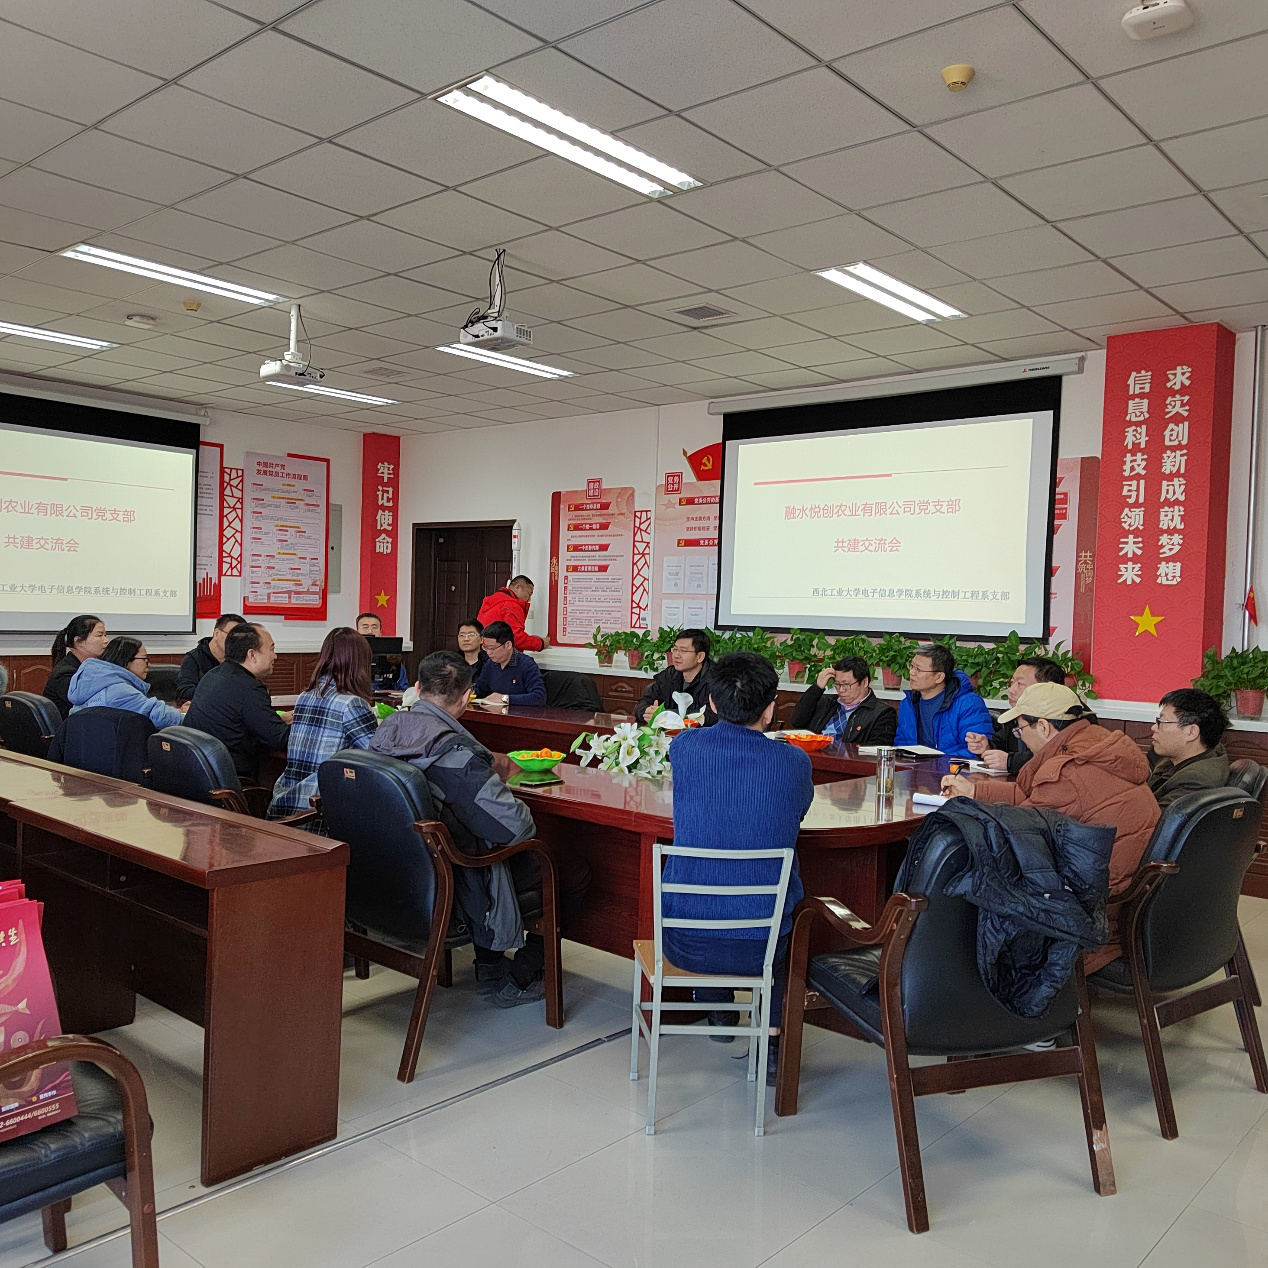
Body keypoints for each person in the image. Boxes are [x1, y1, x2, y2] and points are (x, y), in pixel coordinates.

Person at [371, 651, 589, 1007]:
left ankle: (492, 966)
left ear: (417, 688)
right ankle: (517, 976)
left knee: (479, 842)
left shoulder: (387, 729)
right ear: (466, 696)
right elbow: (516, 828)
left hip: (401, 870)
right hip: (455, 876)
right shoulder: (453, 754)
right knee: (572, 870)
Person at [664, 652, 814, 1084]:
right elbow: (798, 811)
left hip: (684, 940)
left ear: (711, 702)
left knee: (712, 879)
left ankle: (717, 1005)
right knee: (787, 908)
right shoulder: (794, 761)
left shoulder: (684, 747)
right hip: (761, 948)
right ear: (771, 709)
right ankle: (772, 1045)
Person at [941, 682, 1159, 894]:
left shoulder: (1067, 772)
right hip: (1131, 881)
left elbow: (1019, 833)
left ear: (1044, 727)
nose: (1021, 737)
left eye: (1020, 730)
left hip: (1098, 895)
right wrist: (975, 792)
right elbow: (1031, 796)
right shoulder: (1096, 741)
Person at [269, 627, 378, 824]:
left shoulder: (305, 696)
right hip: (320, 811)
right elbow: (378, 759)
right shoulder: (352, 704)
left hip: (288, 801)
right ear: (360, 663)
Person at [185, 623, 293, 781]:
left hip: (197, 771)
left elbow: (240, 721)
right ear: (252, 655)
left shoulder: (213, 675)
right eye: (271, 649)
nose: (275, 656)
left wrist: (277, 720)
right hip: (228, 780)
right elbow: (280, 739)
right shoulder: (250, 688)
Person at [966, 656, 1067, 774]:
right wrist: (986, 747)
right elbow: (1002, 744)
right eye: (1012, 682)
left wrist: (1010, 761)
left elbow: (1054, 756)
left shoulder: (1063, 717)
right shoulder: (1014, 716)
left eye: (1020, 684)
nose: (1011, 689)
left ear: (1044, 688)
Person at [894, 643, 993, 759]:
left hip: (953, 768)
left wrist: (934, 763)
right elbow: (901, 745)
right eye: (911, 666)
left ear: (939, 677)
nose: (912, 672)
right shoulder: (908, 703)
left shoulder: (969, 704)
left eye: (919, 669)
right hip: (914, 767)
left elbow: (976, 751)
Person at [67, 636, 187, 729]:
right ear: (127, 661)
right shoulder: (119, 691)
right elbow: (160, 717)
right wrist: (188, 715)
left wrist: (179, 712)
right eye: (144, 659)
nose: (149, 664)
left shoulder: (96, 681)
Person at [1147, 687, 1231, 806]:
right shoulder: (1182, 756)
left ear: (1191, 732)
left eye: (1163, 722)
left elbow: (1154, 817)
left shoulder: (1195, 780)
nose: (1154, 728)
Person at [787, 654, 897, 744]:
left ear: (864, 682)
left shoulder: (883, 713)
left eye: (846, 685)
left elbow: (877, 749)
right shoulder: (827, 702)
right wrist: (817, 688)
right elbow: (797, 722)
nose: (841, 690)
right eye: (837, 684)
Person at [635, 629, 715, 724]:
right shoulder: (669, 675)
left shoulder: (716, 680)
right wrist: (646, 712)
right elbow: (642, 703)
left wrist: (667, 715)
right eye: (675, 649)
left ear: (700, 656)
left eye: (683, 651)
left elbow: (711, 716)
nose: (676, 655)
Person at [43, 615, 109, 719]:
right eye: (99, 635)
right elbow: (91, 704)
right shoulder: (66, 673)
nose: (106, 640)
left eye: (105, 635)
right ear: (79, 641)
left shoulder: (92, 666)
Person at [472, 621, 546, 706]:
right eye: (485, 647)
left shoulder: (527, 665)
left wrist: (505, 699)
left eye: (492, 648)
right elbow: (480, 688)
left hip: (520, 713)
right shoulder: (490, 664)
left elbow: (539, 697)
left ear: (508, 645)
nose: (488, 653)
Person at [176, 613, 246, 703]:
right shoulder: (194, 658)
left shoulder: (240, 660)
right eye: (232, 636)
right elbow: (184, 692)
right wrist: (220, 692)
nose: (236, 642)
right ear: (216, 633)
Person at [476, 575, 549, 652]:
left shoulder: (494, 600)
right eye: (529, 593)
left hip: (484, 650)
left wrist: (532, 639)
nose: (529, 599)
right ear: (518, 587)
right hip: (499, 653)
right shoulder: (511, 605)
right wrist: (541, 644)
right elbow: (516, 638)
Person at [356, 611, 408, 689]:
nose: (370, 631)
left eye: (374, 627)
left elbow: (402, 689)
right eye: (365, 627)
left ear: (380, 632)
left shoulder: (392, 660)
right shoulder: (349, 658)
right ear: (356, 632)